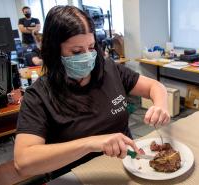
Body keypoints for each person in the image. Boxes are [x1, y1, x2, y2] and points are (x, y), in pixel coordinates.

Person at [14, 6, 170, 177]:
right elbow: (23, 163)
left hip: (128, 166)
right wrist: (91, 144)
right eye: (77, 51)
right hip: (79, 176)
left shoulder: (109, 70)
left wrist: (160, 105)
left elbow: (155, 87)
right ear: (54, 51)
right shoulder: (39, 95)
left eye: (91, 47)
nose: (87, 56)